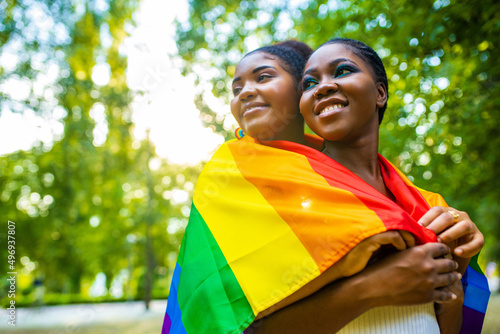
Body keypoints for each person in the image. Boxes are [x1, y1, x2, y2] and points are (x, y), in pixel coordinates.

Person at [162, 40, 488, 334]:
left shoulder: (424, 203)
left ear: (380, 92)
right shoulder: (262, 193)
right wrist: (373, 286)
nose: (323, 87)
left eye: (343, 71)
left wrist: (453, 276)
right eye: (310, 83)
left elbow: (444, 320)